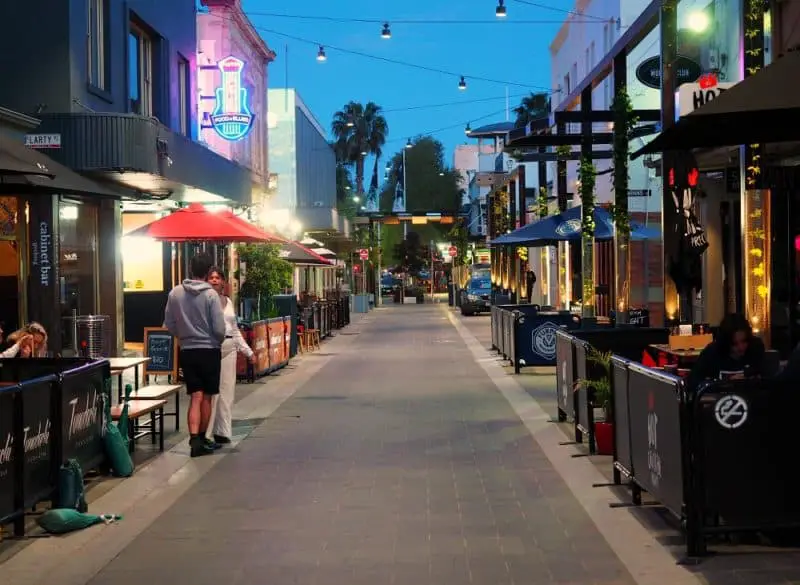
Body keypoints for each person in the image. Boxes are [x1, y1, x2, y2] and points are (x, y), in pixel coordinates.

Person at [163, 253, 226, 458]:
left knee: (195, 396)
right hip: (209, 350)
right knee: (207, 397)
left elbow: (169, 324)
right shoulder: (211, 296)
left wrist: (183, 336)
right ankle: (203, 439)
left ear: (190, 269)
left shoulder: (175, 293)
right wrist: (217, 340)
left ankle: (193, 439)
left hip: (187, 350)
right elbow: (218, 327)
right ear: (208, 271)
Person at [205, 267, 255, 446]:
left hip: (229, 349)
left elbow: (234, 330)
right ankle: (207, 434)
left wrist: (248, 351)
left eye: (218, 277)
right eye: (211, 277)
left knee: (227, 392)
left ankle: (223, 431)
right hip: (211, 348)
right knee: (212, 393)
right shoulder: (204, 301)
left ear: (224, 282)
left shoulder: (228, 301)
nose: (214, 280)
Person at [686, 313, 766, 392]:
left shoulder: (756, 348)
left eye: (744, 341)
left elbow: (767, 380)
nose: (741, 347)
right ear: (726, 343)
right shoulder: (712, 352)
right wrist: (724, 384)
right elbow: (692, 383)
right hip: (719, 402)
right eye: (734, 344)